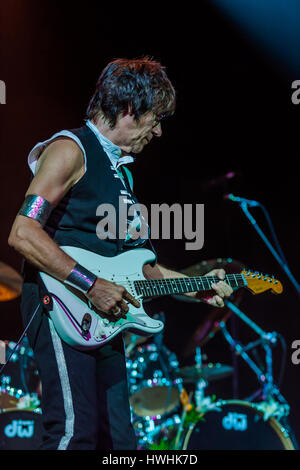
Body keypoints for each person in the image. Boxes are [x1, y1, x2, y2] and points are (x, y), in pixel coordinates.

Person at [8, 57, 233, 450]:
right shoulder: (69, 149)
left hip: (103, 314)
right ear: (130, 109)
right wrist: (92, 285)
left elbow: (138, 271)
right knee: (72, 433)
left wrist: (196, 287)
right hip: (62, 302)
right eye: (156, 118)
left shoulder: (122, 175)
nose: (159, 131)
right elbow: (24, 232)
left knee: (119, 441)